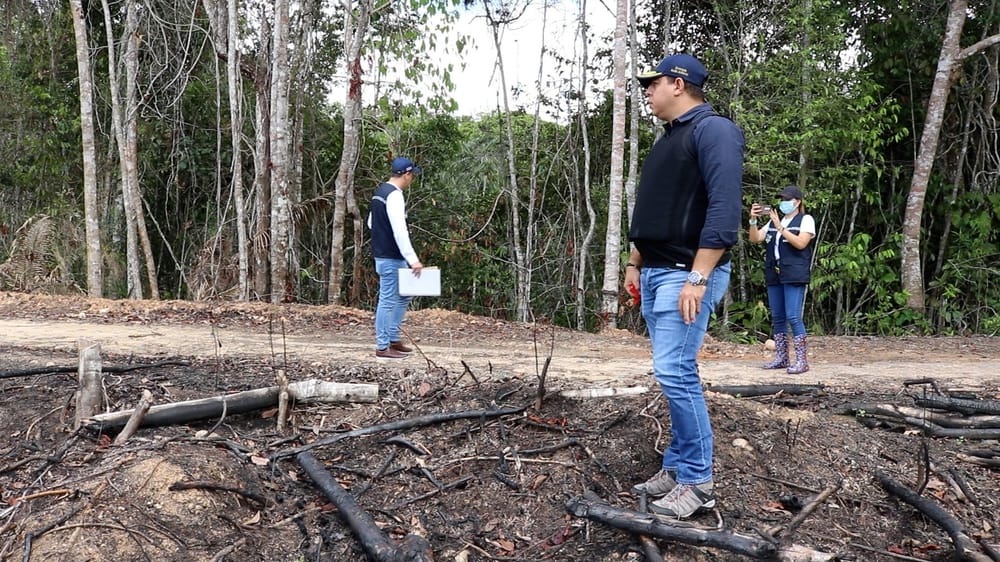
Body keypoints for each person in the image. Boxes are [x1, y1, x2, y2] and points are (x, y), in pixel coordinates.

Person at [624, 53, 745, 519]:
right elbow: (658, 209)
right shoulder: (670, 139)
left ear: (678, 84)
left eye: (653, 84)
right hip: (657, 270)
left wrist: (699, 275)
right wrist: (635, 261)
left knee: (676, 371)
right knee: (671, 372)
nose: (647, 91)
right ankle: (677, 468)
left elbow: (723, 208)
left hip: (685, 273)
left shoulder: (714, 131)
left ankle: (698, 482)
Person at [748, 185, 816, 374]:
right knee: (778, 316)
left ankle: (802, 360)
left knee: (793, 316)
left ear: (797, 201)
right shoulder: (772, 221)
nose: (784, 203)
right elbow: (755, 238)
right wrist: (753, 220)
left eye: (787, 199)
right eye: (782, 199)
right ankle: (782, 357)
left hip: (794, 272)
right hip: (774, 272)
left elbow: (801, 243)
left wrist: (781, 227)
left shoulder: (805, 219)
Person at [368, 157, 424, 359]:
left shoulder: (380, 193)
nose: (412, 180)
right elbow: (400, 231)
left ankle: (393, 338)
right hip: (391, 256)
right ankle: (383, 346)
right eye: (412, 176)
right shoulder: (395, 195)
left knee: (403, 295)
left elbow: (371, 223)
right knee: (388, 299)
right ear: (407, 175)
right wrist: (413, 259)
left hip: (387, 254)